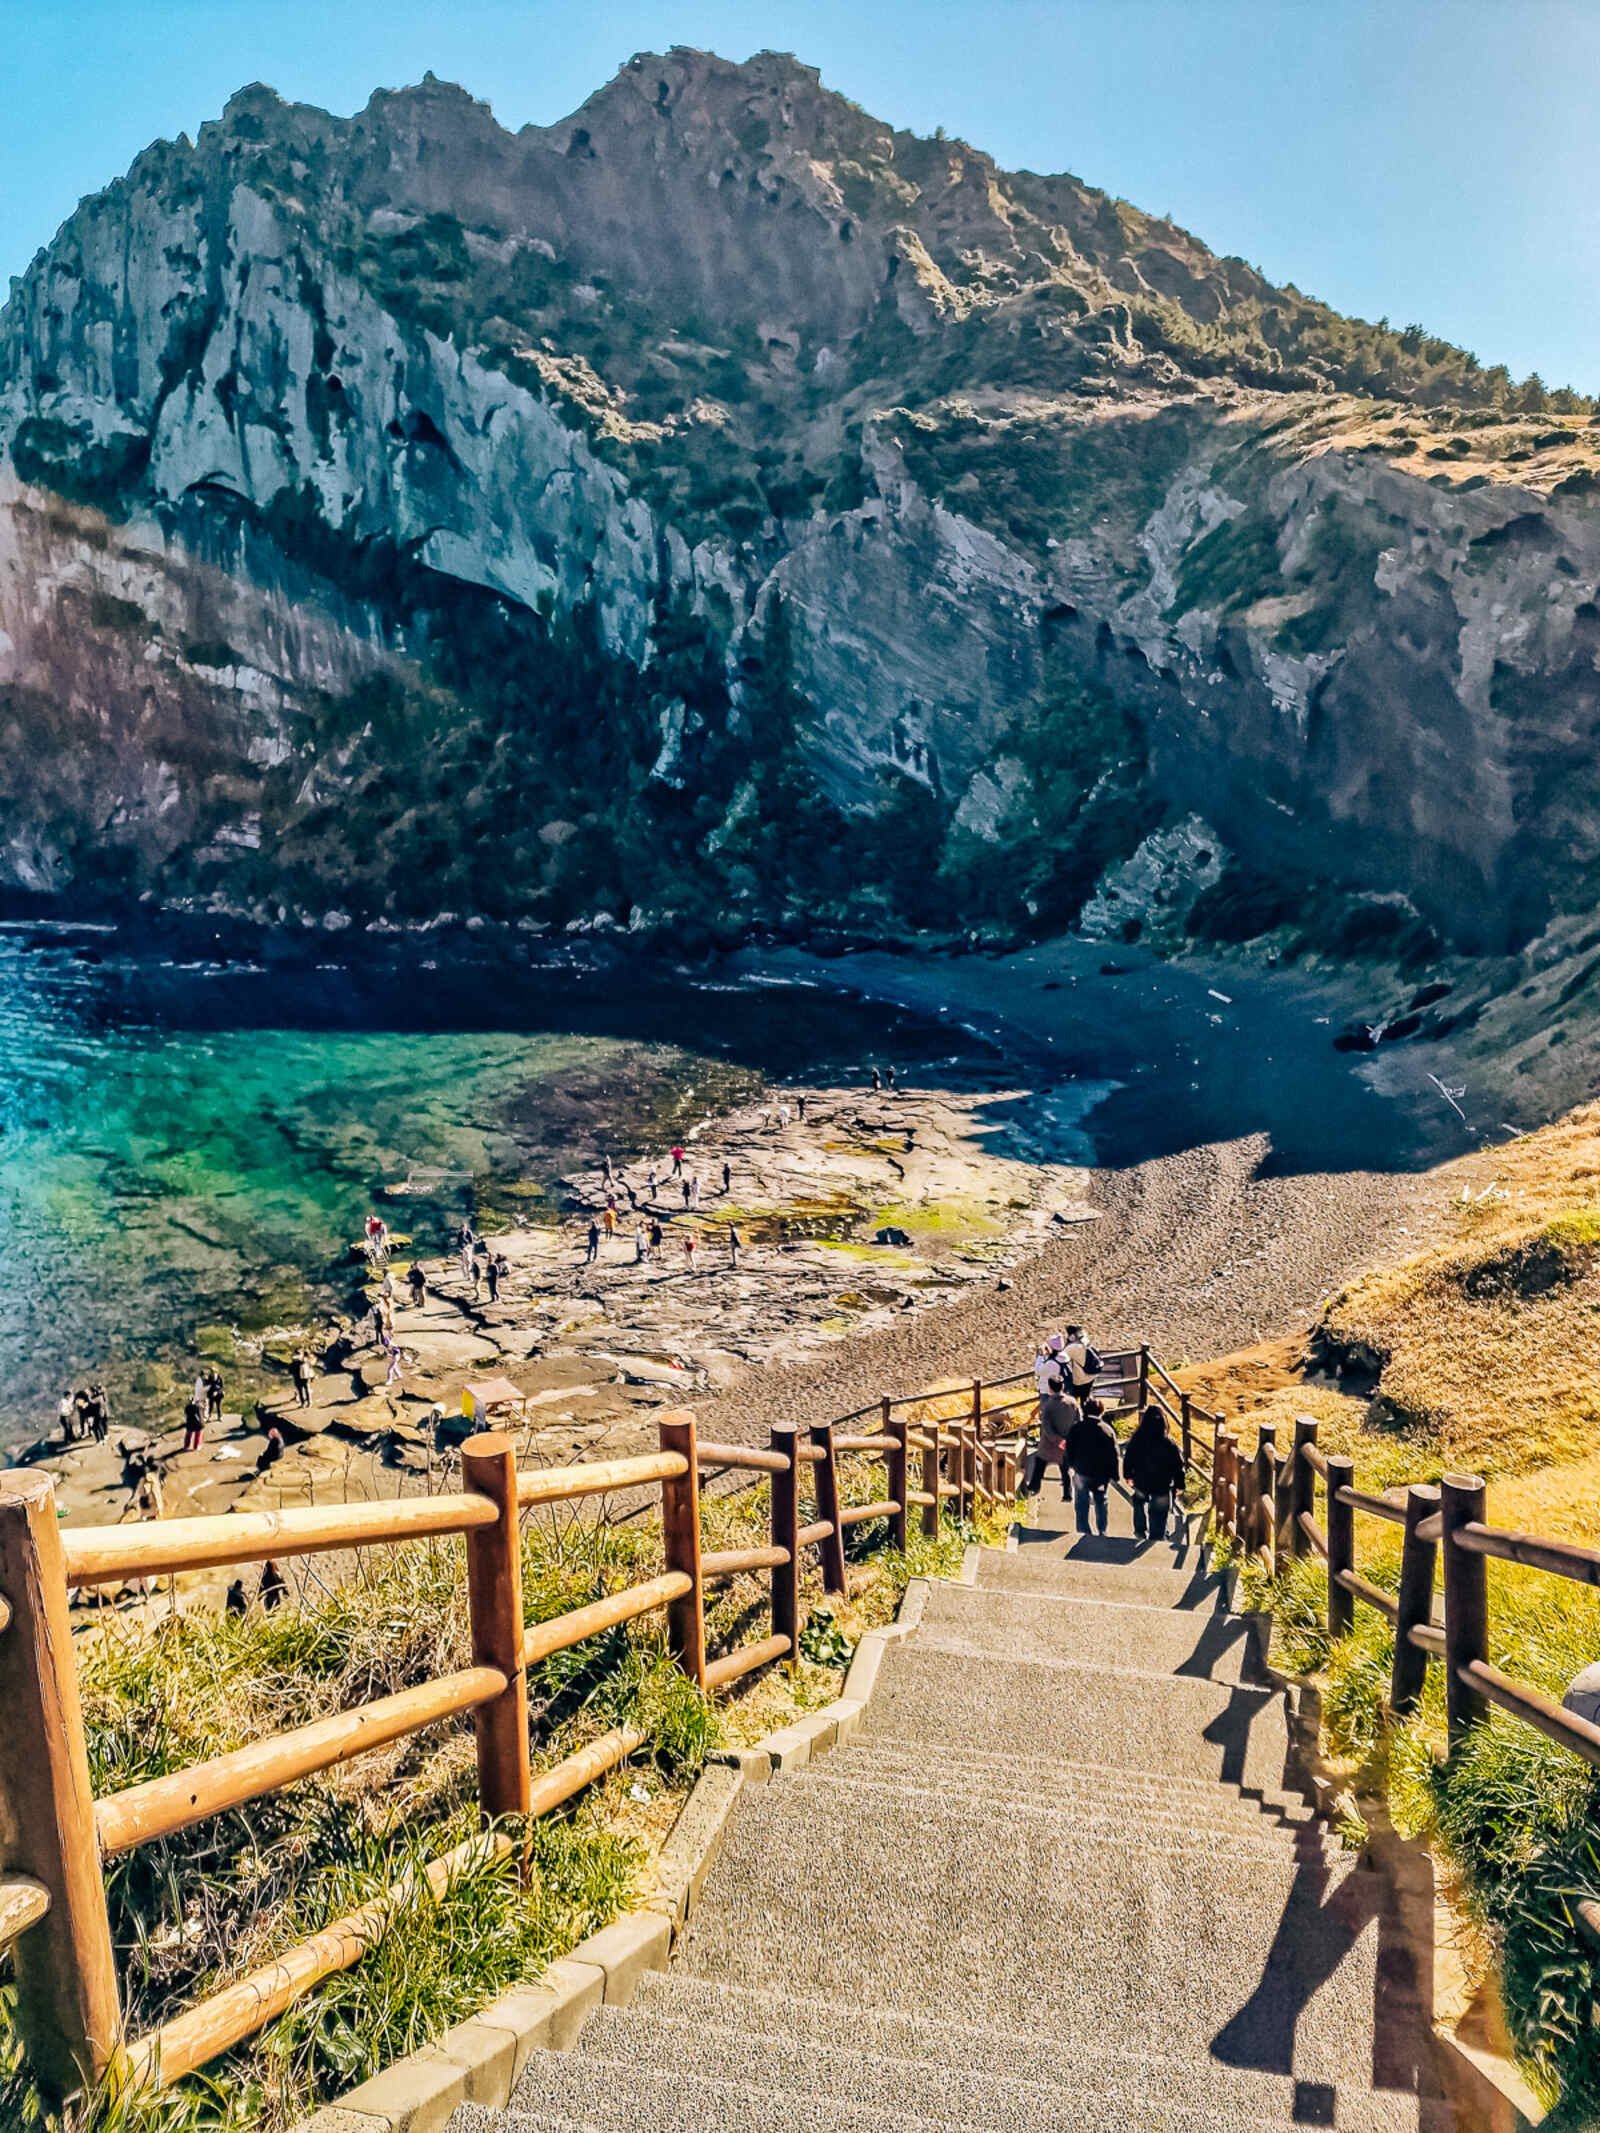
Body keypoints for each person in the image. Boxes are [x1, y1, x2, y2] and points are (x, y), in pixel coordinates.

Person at [1123, 1404, 1186, 1544]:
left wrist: (1128, 1475)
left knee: (1138, 1502)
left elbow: (1129, 1458)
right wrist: (1179, 1484)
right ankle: (1155, 1539)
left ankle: (1140, 1530)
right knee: (1159, 1514)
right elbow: (1178, 1466)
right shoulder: (1169, 1444)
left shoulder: (1137, 1440)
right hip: (1162, 1485)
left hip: (1141, 1481)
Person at [1063, 1396, 1119, 1537]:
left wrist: (1071, 1465)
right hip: (1101, 1474)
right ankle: (1102, 1529)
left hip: (1081, 1471)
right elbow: (1113, 1455)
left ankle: (1083, 1530)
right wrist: (1114, 1474)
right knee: (1101, 1501)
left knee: (1081, 1502)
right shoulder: (1107, 1430)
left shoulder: (1076, 1428)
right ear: (1101, 1411)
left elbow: (1069, 1449)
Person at [1024, 1376, 1079, 1495]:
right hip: (1067, 1440)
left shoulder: (1048, 1404)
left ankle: (1034, 1487)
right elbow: (1078, 1420)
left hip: (1049, 1443)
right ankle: (1067, 1491)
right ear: (1063, 1386)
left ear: (1050, 1388)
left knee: (1040, 1464)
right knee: (1065, 1467)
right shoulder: (1072, 1402)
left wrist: (1056, 1439)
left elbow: (1046, 1426)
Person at [1061, 1324, 1103, 1399]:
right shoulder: (1086, 1343)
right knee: (1086, 1400)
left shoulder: (1071, 1348)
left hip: (1078, 1380)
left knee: (1072, 1400)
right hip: (1090, 1377)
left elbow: (1061, 1358)